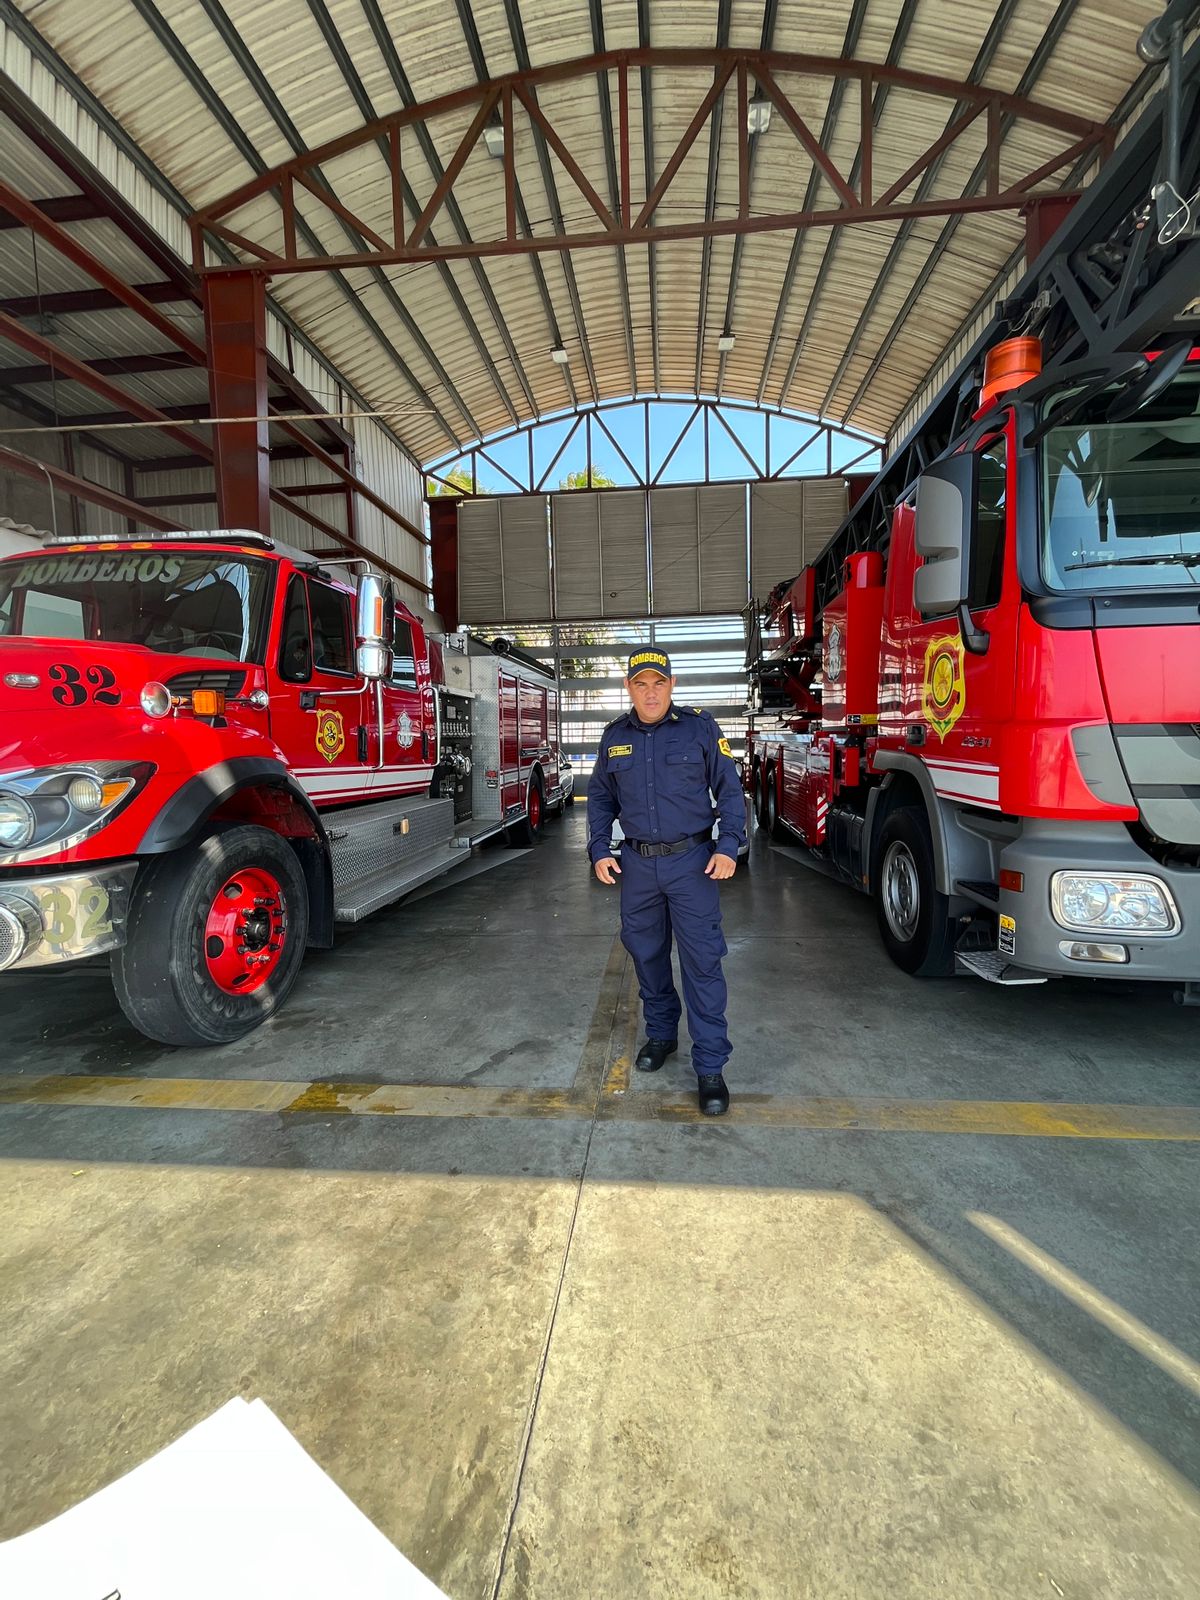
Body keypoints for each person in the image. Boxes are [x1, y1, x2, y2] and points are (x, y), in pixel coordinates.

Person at [587, 649, 746, 1116]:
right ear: (628, 687)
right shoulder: (614, 736)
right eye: (641, 683)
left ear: (672, 685)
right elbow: (599, 797)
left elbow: (730, 790)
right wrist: (599, 848)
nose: (650, 691)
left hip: (693, 863)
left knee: (701, 962)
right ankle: (661, 1035)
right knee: (647, 955)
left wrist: (728, 843)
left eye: (658, 683)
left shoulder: (699, 728)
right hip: (637, 867)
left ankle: (711, 1067)